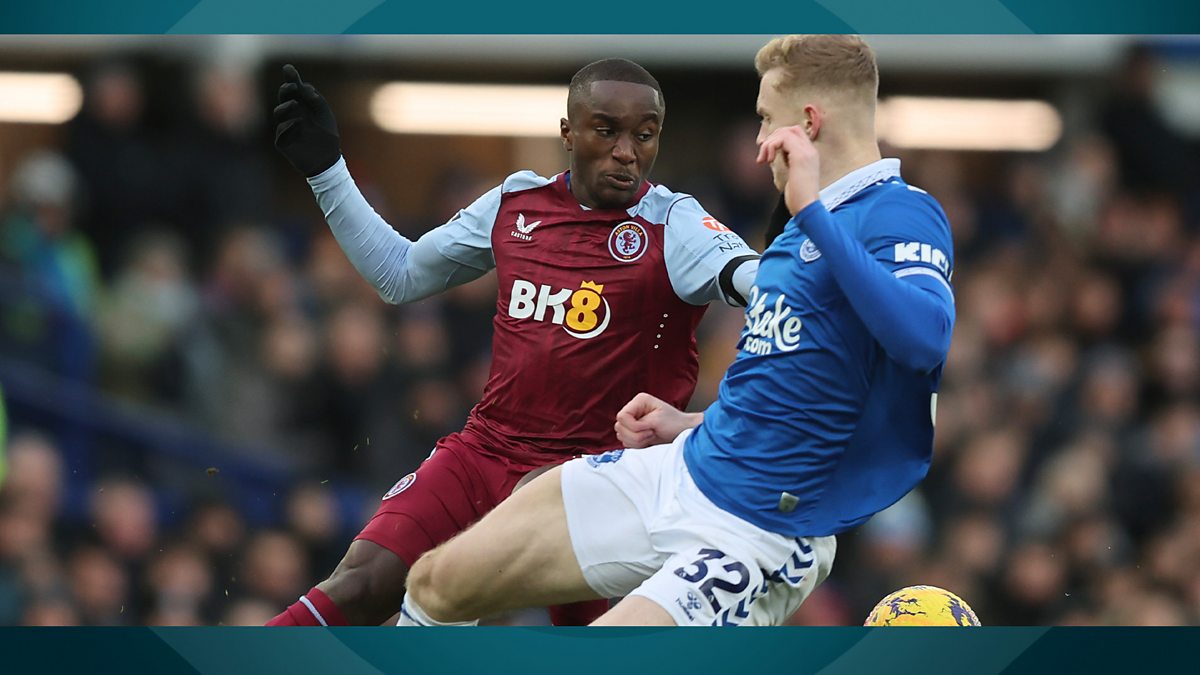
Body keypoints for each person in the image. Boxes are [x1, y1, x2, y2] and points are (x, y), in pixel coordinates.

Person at [403, 34, 956, 626]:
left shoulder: (897, 211)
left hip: (761, 528)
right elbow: (794, 389)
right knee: (437, 583)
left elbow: (924, 339)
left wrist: (813, 212)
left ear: (808, 124)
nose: (759, 142)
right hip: (684, 469)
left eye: (766, 119)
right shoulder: (800, 230)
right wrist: (690, 422)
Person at [267, 58, 760, 626]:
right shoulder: (516, 204)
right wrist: (327, 171)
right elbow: (399, 274)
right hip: (485, 451)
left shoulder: (676, 226)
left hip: (604, 481)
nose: (626, 151)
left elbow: (773, 291)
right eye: (607, 131)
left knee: (575, 634)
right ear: (568, 133)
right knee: (361, 583)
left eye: (644, 136)